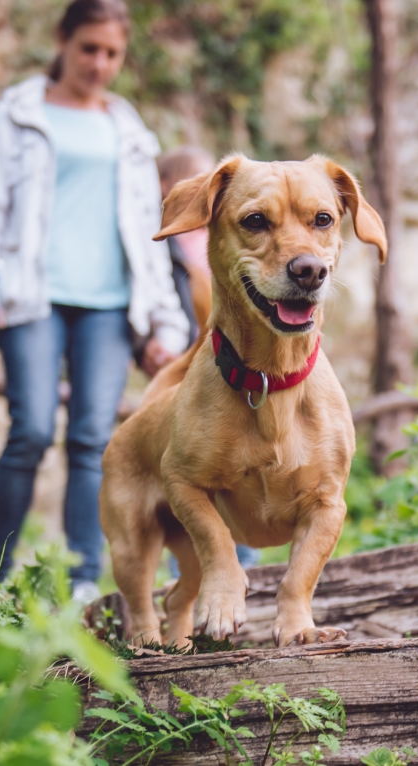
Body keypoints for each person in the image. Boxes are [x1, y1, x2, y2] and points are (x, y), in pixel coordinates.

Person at [0, 0, 188, 603]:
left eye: (112, 53)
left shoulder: (128, 128)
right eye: (89, 48)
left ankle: (83, 580)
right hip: (31, 296)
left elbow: (146, 228)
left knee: (91, 441)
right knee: (30, 429)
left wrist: (162, 316)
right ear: (63, 40)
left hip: (110, 305)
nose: (100, 64)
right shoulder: (19, 113)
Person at [150, 146, 262, 574]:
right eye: (197, 177)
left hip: (234, 370)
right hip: (189, 370)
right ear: (170, 188)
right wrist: (155, 343)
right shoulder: (162, 245)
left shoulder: (232, 234)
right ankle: (188, 575)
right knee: (194, 475)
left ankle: (245, 567)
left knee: (242, 471)